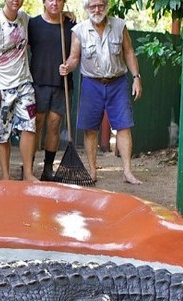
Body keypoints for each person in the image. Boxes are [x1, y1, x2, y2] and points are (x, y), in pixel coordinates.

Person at [59, 0, 143, 184]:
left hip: (118, 82)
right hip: (91, 83)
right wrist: (67, 66)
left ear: (106, 6)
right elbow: (74, 58)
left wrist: (136, 77)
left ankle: (127, 172)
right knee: (90, 129)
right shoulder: (79, 31)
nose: (97, 9)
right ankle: (92, 171)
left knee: (123, 126)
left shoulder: (120, 26)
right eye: (92, 6)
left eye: (100, 5)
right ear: (87, 9)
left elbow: (129, 52)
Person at [0, 0, 38, 182]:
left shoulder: (25, 19)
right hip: (2, 88)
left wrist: (65, 14)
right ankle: (5, 176)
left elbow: (45, 20)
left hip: (24, 84)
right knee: (2, 133)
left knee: (29, 126)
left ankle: (27, 173)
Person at [28, 0, 76, 181]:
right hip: (37, 83)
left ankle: (48, 169)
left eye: (59, 0)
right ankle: (29, 168)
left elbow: (74, 54)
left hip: (61, 84)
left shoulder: (70, 25)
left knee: (54, 125)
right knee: (35, 125)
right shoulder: (32, 24)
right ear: (43, 2)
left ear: (64, 2)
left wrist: (69, 66)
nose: (54, 3)